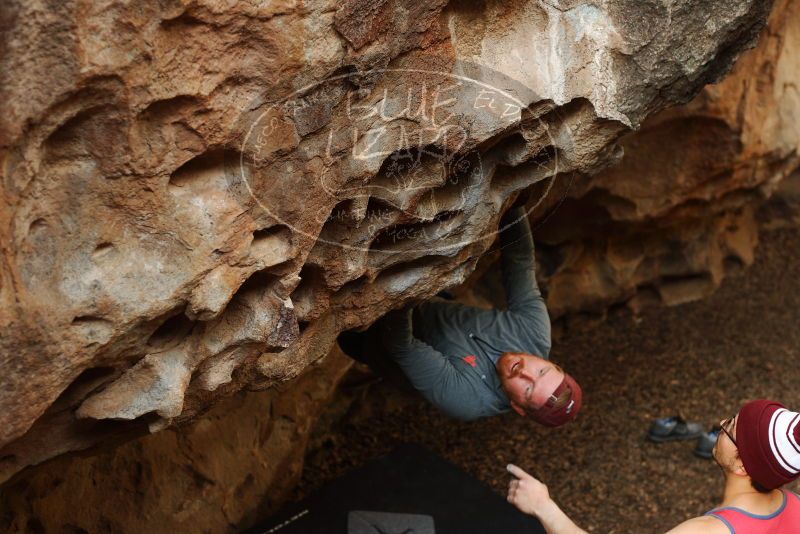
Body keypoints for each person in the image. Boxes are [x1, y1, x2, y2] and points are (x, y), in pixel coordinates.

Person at [338, 205, 582, 426]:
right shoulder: (534, 333)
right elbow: (519, 261)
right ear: (551, 363)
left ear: (518, 407)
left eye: (528, 389)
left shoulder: (468, 400)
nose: (525, 372)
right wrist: (513, 202)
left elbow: (401, 345)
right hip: (431, 305)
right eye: (542, 371)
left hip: (369, 336)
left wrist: (410, 282)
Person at [506, 399, 800, 533]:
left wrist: (543, 506)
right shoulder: (796, 506)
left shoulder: (709, 531)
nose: (721, 423)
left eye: (731, 427)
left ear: (742, 464)